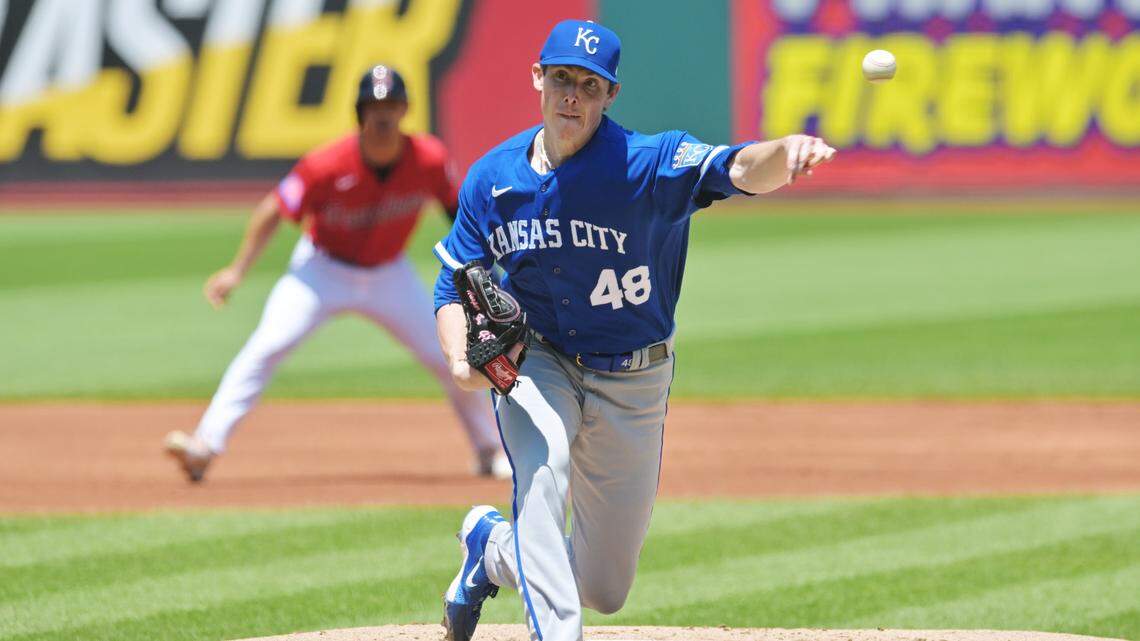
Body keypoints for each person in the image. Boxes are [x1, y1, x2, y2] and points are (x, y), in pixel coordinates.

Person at [431, 20, 837, 641]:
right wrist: (461, 360)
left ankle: (490, 550)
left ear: (610, 95)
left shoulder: (646, 163)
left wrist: (784, 154)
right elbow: (451, 282)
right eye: (562, 78)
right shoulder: (494, 179)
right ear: (538, 78)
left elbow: (734, 168)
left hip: (636, 375)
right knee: (541, 475)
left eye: (589, 86)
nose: (572, 95)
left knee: (604, 587)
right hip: (538, 360)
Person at [163, 64, 511, 484]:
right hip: (321, 271)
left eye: (392, 104)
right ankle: (205, 447)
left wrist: (484, 269)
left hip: (389, 274)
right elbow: (275, 208)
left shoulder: (429, 159)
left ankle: (488, 448)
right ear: (360, 112)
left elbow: (461, 215)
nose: (383, 114)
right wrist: (237, 270)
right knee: (266, 347)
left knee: (450, 354)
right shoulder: (325, 164)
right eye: (374, 105)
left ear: (405, 110)